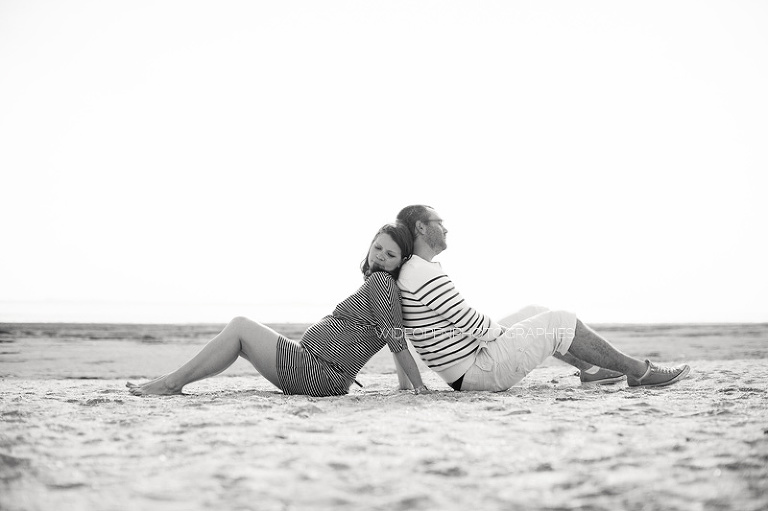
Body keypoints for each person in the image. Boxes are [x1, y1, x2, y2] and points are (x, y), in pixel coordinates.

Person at [392, 205, 691, 392]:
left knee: (535, 312)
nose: (445, 227)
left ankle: (592, 370)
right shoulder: (420, 272)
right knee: (559, 321)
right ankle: (640, 372)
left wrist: (511, 335)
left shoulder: (416, 269)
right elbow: (470, 322)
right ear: (421, 227)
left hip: (467, 365)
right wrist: (507, 336)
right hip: (476, 372)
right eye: (439, 221)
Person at [127, 223, 430, 397]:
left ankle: (170, 383)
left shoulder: (382, 283)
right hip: (318, 371)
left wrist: (418, 388)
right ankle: (170, 380)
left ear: (401, 262)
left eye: (390, 254)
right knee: (238, 340)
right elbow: (392, 334)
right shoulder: (382, 286)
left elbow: (396, 340)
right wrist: (405, 388)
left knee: (240, 327)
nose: (380, 256)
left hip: (318, 373)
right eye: (378, 247)